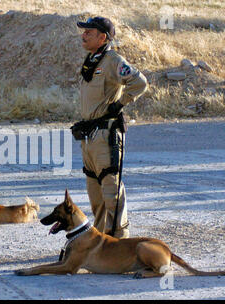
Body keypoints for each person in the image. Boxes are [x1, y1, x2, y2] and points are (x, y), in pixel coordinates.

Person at [73, 17, 147, 238]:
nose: (83, 35)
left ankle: (118, 240)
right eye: (83, 32)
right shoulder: (93, 59)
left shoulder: (113, 60)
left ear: (102, 37)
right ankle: (101, 240)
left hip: (105, 134)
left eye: (89, 32)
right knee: (95, 192)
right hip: (89, 135)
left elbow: (140, 83)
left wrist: (120, 104)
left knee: (111, 189)